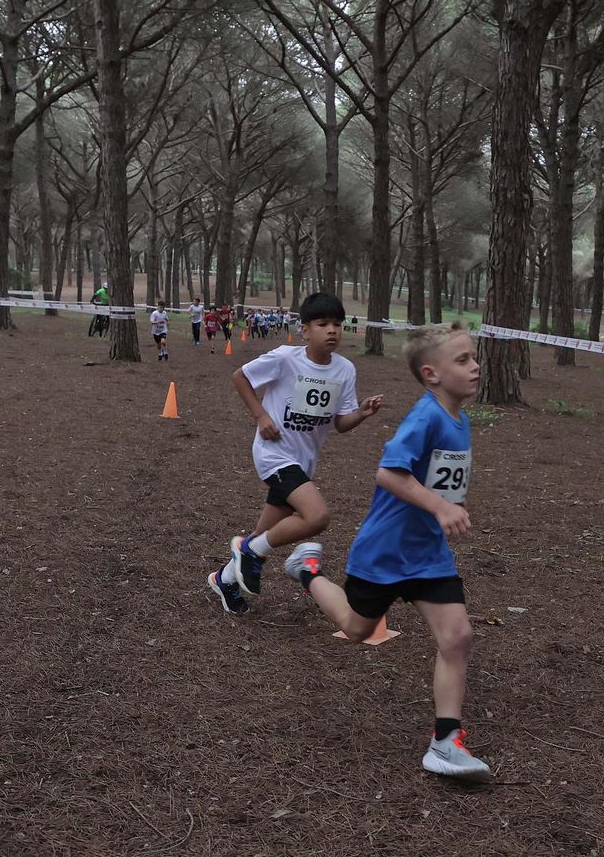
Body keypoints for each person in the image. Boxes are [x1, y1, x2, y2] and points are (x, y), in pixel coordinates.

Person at [282, 322, 491, 782]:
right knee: (357, 628)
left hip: (428, 554)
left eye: (474, 357)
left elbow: (436, 480)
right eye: (463, 360)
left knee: (457, 637)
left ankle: (446, 742)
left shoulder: (460, 419)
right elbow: (389, 474)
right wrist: (440, 505)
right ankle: (307, 570)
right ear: (432, 374)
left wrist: (445, 505)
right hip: (385, 552)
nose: (475, 367)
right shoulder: (426, 417)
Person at [207, 291, 384, 617]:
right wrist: (261, 417)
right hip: (274, 454)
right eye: (322, 324)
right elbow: (240, 376)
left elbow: (341, 424)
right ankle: (247, 551)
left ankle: (225, 579)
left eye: (338, 324)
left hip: (303, 462)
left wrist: (362, 412)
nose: (332, 330)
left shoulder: (345, 370)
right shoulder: (286, 358)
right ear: (305, 330)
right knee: (317, 517)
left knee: (266, 533)